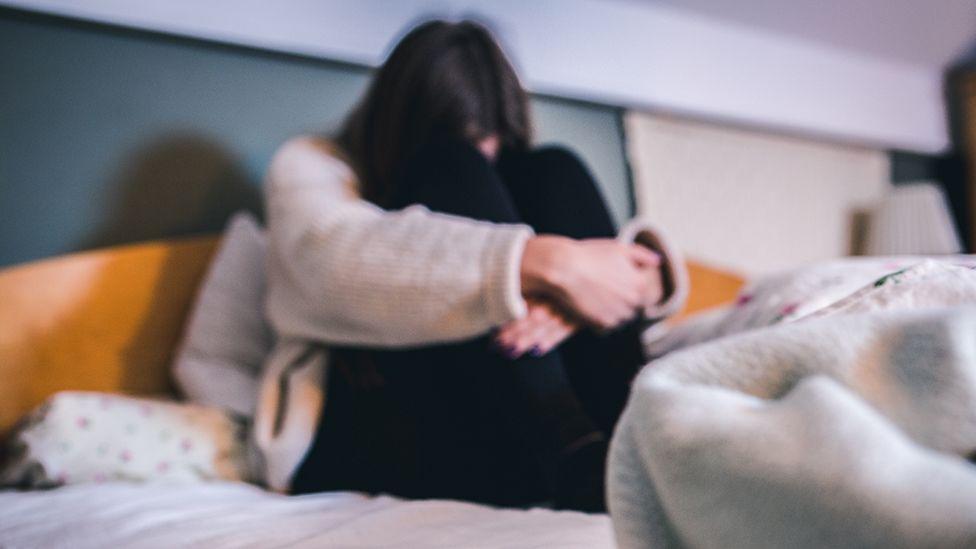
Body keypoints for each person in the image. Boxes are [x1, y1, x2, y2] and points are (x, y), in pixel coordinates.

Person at [253, 19, 687, 512]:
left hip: (501, 432)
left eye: (492, 140)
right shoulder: (312, 164)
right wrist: (552, 265)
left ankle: (631, 449)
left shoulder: (520, 176)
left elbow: (626, 272)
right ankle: (579, 460)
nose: (486, 156)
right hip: (376, 424)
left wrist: (574, 299)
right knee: (449, 169)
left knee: (554, 169)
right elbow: (329, 263)